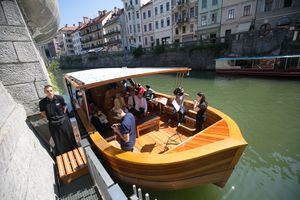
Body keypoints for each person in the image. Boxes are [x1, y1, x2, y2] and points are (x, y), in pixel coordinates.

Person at [39, 85, 77, 156]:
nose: (50, 93)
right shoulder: (42, 102)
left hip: (64, 121)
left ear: (53, 91)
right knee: (58, 141)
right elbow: (43, 113)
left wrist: (60, 116)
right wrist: (52, 118)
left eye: (51, 90)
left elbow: (64, 107)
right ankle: (63, 155)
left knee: (70, 137)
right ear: (45, 92)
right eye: (47, 91)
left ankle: (75, 151)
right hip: (53, 124)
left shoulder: (60, 98)